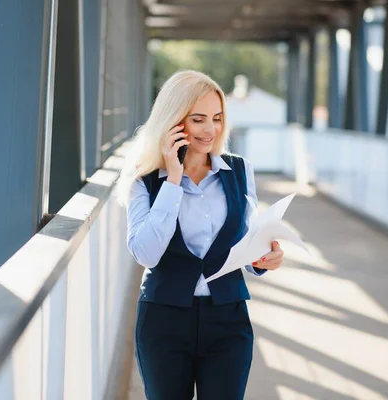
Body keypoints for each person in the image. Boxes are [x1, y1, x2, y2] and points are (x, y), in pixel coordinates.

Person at [116, 70, 284, 400]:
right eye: (198, 119)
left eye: (217, 118)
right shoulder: (145, 179)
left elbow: (245, 240)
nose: (211, 130)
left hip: (228, 318)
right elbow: (145, 253)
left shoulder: (239, 171)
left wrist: (263, 259)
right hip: (164, 321)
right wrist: (173, 180)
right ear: (175, 121)